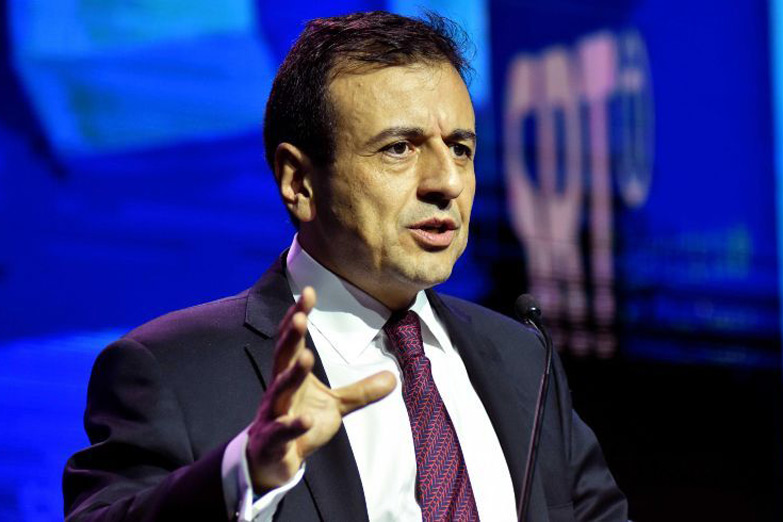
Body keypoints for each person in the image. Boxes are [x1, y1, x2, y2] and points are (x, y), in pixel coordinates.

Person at [63, 11, 628, 522]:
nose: (447, 182)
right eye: (399, 148)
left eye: (460, 148)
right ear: (299, 182)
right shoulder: (174, 368)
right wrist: (247, 472)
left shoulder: (523, 359)